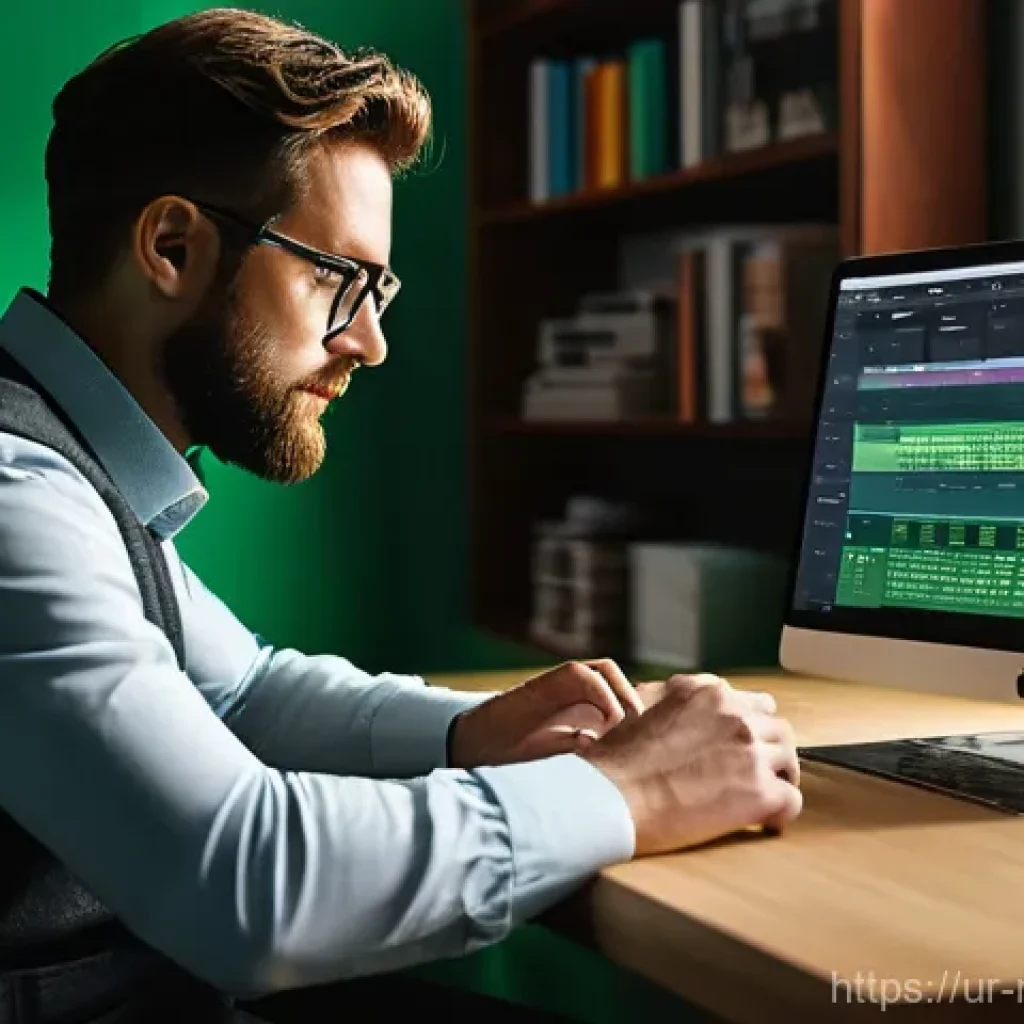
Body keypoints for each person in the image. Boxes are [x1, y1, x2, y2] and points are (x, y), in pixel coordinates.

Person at [0, 8, 802, 1023]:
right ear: (170, 246)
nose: (368, 342)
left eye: (378, 290)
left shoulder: (72, 464)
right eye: (338, 280)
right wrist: (628, 790)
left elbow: (238, 691)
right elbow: (250, 886)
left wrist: (470, 732)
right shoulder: (17, 496)